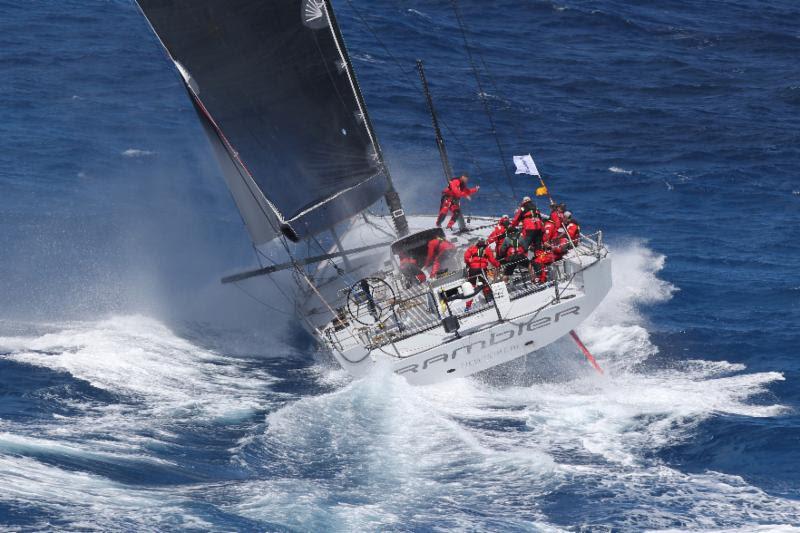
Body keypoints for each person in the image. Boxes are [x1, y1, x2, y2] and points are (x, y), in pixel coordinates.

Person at [463, 238, 500, 310]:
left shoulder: (472, 248)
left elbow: (466, 257)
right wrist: (498, 264)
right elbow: (492, 260)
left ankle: (468, 306)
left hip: (473, 269)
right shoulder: (487, 250)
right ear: (484, 243)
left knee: (471, 287)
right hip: (482, 269)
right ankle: (489, 300)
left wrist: (469, 263)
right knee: (485, 285)